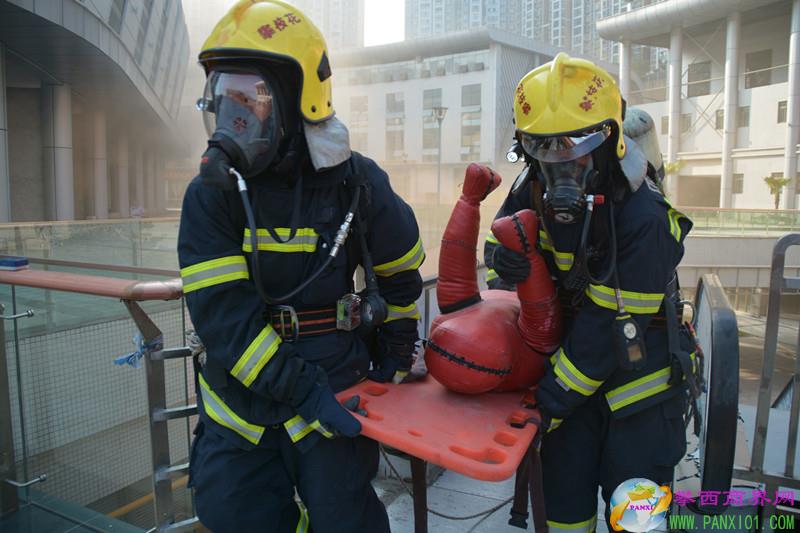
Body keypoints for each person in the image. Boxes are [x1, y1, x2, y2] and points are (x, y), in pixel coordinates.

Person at [177, 2, 423, 532]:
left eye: (250, 97)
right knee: (233, 512)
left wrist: (398, 348)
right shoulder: (211, 195)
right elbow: (226, 322)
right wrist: (304, 391)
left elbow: (402, 269)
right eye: (224, 96)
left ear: (300, 99)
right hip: (242, 400)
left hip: (337, 385)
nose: (234, 116)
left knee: (346, 520)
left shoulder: (356, 182)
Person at [484, 53, 700, 532]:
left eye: (576, 144)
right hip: (570, 396)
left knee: (637, 522)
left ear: (611, 140)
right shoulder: (532, 184)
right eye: (543, 146)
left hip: (638, 397)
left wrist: (550, 399)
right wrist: (505, 261)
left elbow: (608, 325)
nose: (560, 160)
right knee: (564, 515)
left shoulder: (645, 217)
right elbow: (497, 240)